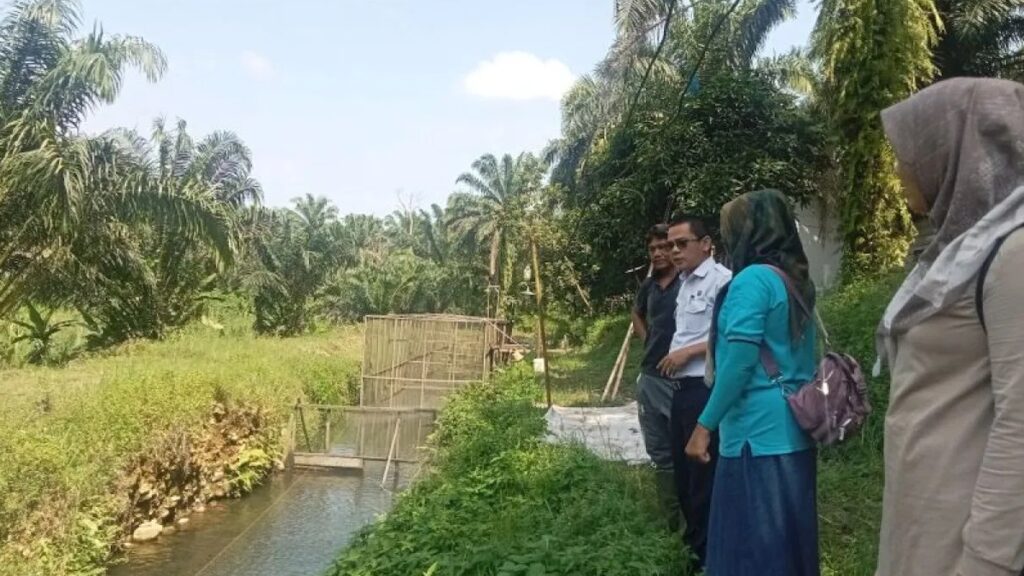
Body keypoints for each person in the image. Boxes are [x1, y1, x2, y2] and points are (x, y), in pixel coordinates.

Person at [875, 78, 1024, 576]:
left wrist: (988, 560)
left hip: (964, 538)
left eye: (907, 155)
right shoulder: (958, 249)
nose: (898, 172)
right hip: (925, 510)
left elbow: (1020, 424)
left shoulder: (1012, 255)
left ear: (952, 150)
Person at [686, 189, 819, 575]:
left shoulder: (751, 281)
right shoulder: (794, 281)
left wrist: (703, 426)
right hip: (793, 428)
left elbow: (740, 364)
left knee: (752, 549)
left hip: (753, 438)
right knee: (788, 543)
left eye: (732, 229)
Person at [656, 216, 731, 569]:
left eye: (681, 243)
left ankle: (707, 555)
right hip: (681, 390)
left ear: (706, 243)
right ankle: (693, 545)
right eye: (670, 245)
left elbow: (729, 335)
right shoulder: (684, 284)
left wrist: (688, 353)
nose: (674, 251)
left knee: (703, 478)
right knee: (684, 476)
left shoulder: (723, 282)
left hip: (705, 388)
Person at [631, 224, 683, 531]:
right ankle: (670, 523)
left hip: (682, 379)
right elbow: (636, 312)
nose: (659, 253)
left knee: (687, 449)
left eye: (665, 246)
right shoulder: (648, 287)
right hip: (650, 376)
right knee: (660, 453)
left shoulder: (688, 283)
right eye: (653, 249)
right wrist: (648, 339)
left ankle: (694, 520)